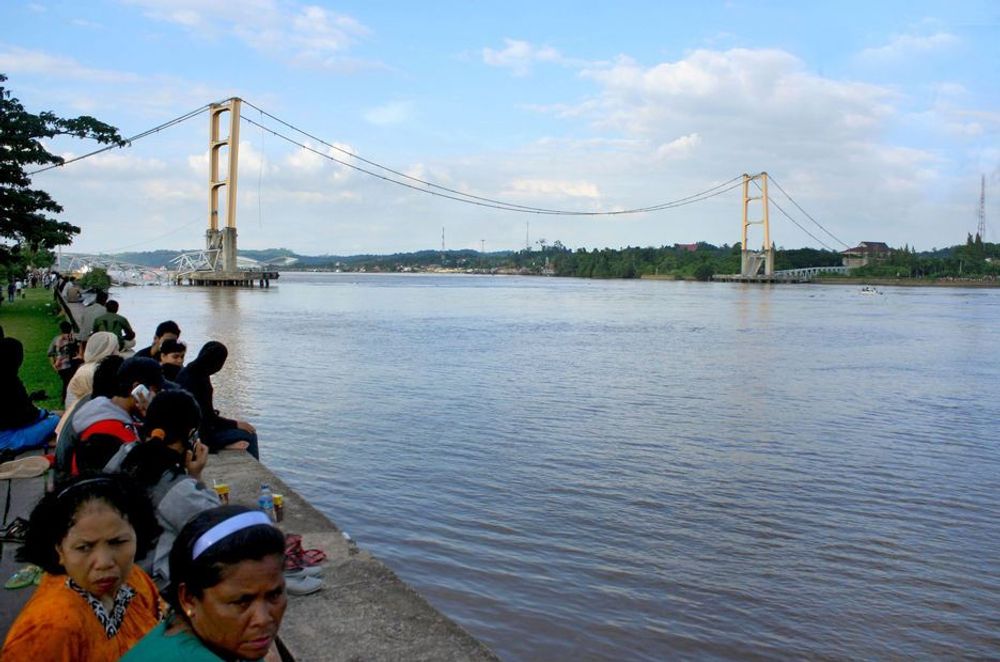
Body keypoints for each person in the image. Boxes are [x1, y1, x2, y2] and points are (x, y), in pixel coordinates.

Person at [2, 474, 162, 659]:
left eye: (117, 542)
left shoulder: (135, 579)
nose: (104, 562)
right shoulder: (51, 627)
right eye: (84, 548)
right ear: (59, 550)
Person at [122, 505, 287, 662]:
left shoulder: (177, 632)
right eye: (242, 602)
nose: (263, 619)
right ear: (188, 599)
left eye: (274, 595)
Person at [119, 390, 220, 589]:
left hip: (121, 571)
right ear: (191, 435)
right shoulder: (176, 487)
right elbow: (216, 528)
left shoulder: (124, 456)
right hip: (151, 586)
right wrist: (195, 477)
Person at [69, 357, 167, 475]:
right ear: (138, 389)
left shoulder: (98, 412)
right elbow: (149, 475)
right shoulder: (116, 433)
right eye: (156, 391)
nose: (158, 397)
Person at [176, 341, 259, 459]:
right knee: (250, 435)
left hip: (193, 430)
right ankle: (254, 475)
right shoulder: (200, 380)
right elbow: (207, 419)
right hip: (201, 435)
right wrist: (236, 424)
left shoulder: (188, 371)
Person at [0, 337, 61, 453]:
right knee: (55, 420)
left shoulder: (8, 378)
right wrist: (44, 414)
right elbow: (24, 417)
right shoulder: (10, 382)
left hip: (10, 428)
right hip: (9, 439)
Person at [66, 330, 119, 409]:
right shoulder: (94, 371)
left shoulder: (86, 368)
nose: (118, 353)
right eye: (116, 349)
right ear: (108, 350)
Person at [49, 320, 83, 401]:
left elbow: (50, 353)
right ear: (71, 329)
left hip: (61, 365)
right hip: (74, 364)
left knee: (66, 382)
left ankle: (65, 398)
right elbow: (80, 348)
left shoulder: (56, 339)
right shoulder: (75, 338)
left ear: (61, 329)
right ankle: (69, 398)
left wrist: (53, 364)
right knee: (70, 382)